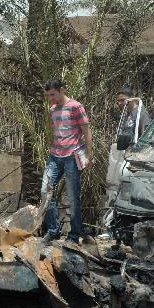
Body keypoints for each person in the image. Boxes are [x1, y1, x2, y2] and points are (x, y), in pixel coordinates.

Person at [42, 78, 93, 244]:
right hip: (55, 156)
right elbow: (56, 131)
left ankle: (74, 234)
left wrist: (89, 155)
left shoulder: (76, 107)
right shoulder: (52, 109)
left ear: (61, 90)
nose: (51, 98)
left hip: (72, 156)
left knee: (72, 197)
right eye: (48, 95)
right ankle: (53, 230)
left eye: (53, 94)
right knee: (45, 191)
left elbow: (86, 131)